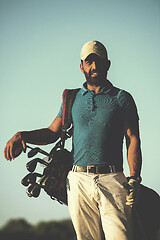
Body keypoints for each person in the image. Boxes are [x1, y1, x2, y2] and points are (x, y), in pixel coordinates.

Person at [4, 40, 142, 240]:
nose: (94, 67)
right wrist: (22, 135)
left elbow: (133, 139)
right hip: (78, 181)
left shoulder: (121, 98)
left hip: (113, 180)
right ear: (81, 66)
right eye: (89, 62)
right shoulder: (72, 98)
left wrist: (134, 178)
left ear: (108, 64)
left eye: (98, 62)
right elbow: (53, 131)